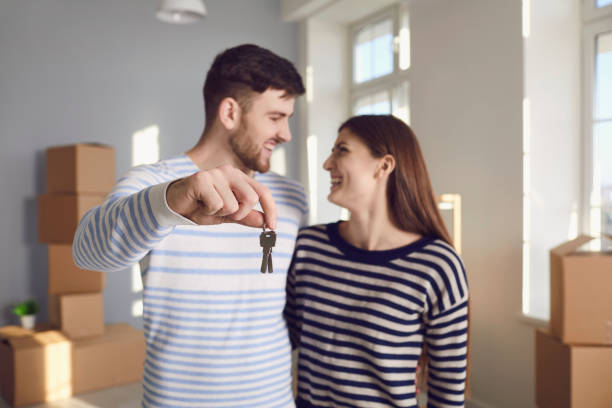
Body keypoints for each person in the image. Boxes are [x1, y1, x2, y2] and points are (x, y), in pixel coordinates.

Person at [73, 44, 307, 408]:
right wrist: (169, 202)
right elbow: (87, 253)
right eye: (276, 117)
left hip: (273, 399)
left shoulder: (292, 198)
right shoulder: (153, 184)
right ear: (230, 112)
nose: (286, 134)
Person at [284, 115, 468, 408]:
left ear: (384, 165)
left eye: (341, 150)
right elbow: (279, 339)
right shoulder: (309, 246)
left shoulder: (438, 266)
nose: (327, 163)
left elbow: (448, 391)